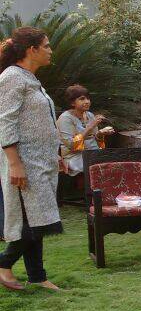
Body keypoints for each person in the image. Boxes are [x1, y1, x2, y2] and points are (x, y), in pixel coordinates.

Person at [0, 27, 63, 291]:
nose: (50, 50)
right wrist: (15, 163)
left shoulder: (30, 78)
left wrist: (55, 154)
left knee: (36, 218)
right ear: (31, 50)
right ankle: (3, 264)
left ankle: (38, 276)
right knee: (37, 220)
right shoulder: (12, 77)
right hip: (25, 162)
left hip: (42, 161)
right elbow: (5, 121)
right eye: (46, 46)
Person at [57, 84, 112, 176]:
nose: (87, 102)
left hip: (93, 153)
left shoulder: (89, 115)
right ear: (72, 103)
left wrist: (101, 133)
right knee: (99, 166)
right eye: (82, 99)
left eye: (88, 99)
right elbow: (71, 145)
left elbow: (97, 141)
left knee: (114, 162)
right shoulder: (65, 119)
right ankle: (96, 189)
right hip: (74, 157)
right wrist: (90, 127)